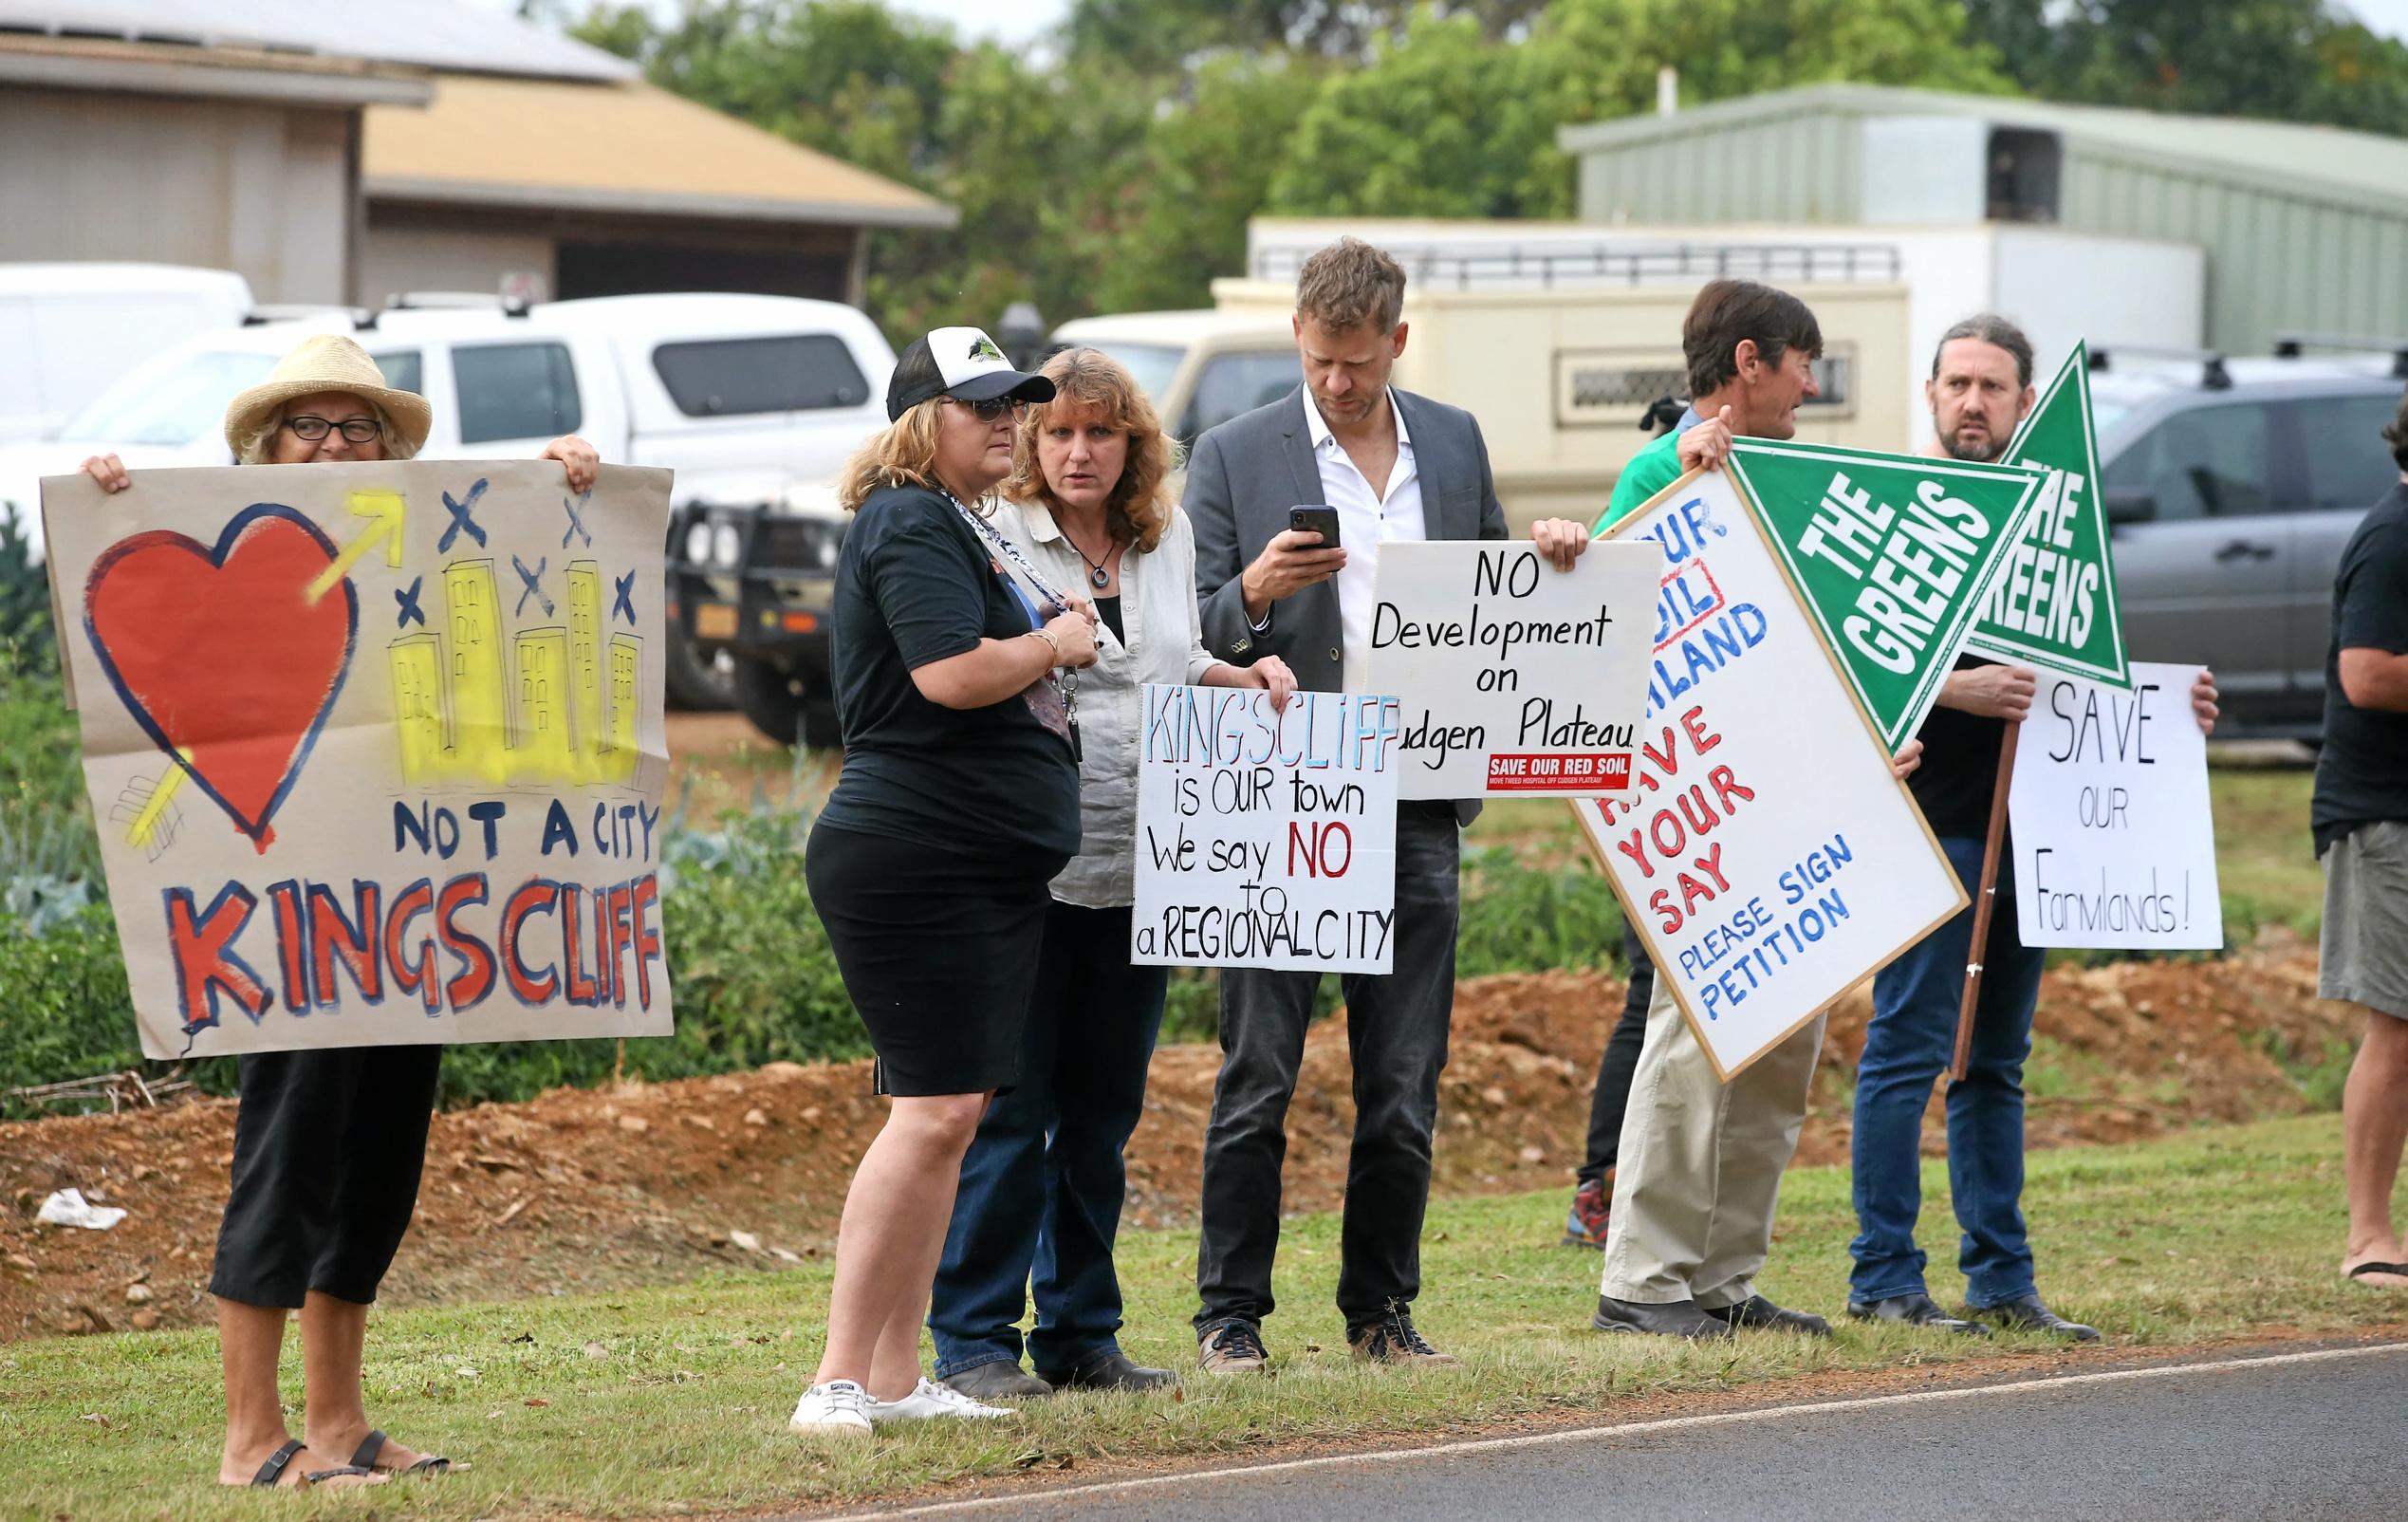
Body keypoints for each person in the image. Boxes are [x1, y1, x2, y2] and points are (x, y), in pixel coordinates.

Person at [82, 331, 599, 1489]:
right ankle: (247, 1436)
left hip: (402, 919)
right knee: (290, 1152)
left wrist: (566, 483)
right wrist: (111, 505)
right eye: (309, 424)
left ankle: (338, 1421)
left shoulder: (411, 550)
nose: (333, 443)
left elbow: (516, 577)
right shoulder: (209, 549)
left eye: (356, 425)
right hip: (282, 928)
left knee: (378, 1164)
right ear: (264, 446)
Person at [1184, 236, 1598, 1371]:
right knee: (1258, 1068)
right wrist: (1253, 594)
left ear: (1397, 343)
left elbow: (1498, 593)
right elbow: (1182, 626)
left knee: (1405, 1078)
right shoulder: (1230, 453)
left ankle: (1381, 1310)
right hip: (1282, 787)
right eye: (1319, 361)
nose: (1337, 384)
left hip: (1417, 790)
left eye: (1357, 363)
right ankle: (1230, 1315)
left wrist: (1554, 552)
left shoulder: (1453, 443)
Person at [927, 347, 1299, 1400]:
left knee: (1100, 1116)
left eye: (1100, 432)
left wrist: (1249, 670)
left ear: (1135, 444)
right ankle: (976, 1338)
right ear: (1031, 446)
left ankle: (1083, 1331)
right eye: (1057, 432)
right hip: (1032, 866)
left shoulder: (1166, 535)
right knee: (1011, 1110)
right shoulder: (995, 537)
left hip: (1150, 863)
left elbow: (1172, 665)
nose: (1078, 451)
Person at [1846, 315, 2218, 1341]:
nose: (1974, 401)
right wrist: (1959, 691)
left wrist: (2173, 716)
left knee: (1995, 1062)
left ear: (2023, 403)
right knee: (1906, 1051)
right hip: (1936, 828)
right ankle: (1882, 1275)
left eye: (1994, 386)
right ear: (1930, 395)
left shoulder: (2056, 533)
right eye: (1958, 382)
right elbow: (1847, 674)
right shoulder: (1902, 524)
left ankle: (2002, 1280)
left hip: (2041, 838)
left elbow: (2096, 677)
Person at [787, 327, 1099, 1438]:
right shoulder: (910, 516)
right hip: (917, 856)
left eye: (1016, 402)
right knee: (928, 1116)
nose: (1010, 422)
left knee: (953, 1112)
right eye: (986, 407)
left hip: (970, 858)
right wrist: (1055, 643)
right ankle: (833, 1377)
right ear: (924, 422)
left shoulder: (956, 520)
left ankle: (889, 1373)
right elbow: (950, 673)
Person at [1591, 280, 1917, 1341]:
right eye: (1800, 364)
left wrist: (1865, 741)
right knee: (1692, 1041)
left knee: (1784, 1045)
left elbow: (1809, 638)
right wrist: (1674, 494)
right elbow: (1605, 616)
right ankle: (1643, 1280)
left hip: (1794, 794)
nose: (1812, 386)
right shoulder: (1656, 468)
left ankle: (1723, 1276)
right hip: (1711, 803)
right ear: (1746, 361)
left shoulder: (1788, 475)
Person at [2313, 387, 2408, 1292]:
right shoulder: (2393, 536)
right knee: (2397, 1024)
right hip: (2385, 819)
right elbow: (2369, 674)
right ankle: (2369, 1238)